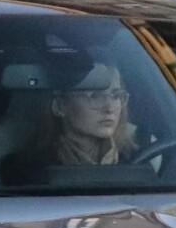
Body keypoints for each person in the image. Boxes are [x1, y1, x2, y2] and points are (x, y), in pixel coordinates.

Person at [8, 61, 139, 183]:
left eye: (116, 96)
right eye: (95, 96)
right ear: (60, 106)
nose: (110, 108)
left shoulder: (136, 160)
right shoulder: (27, 170)